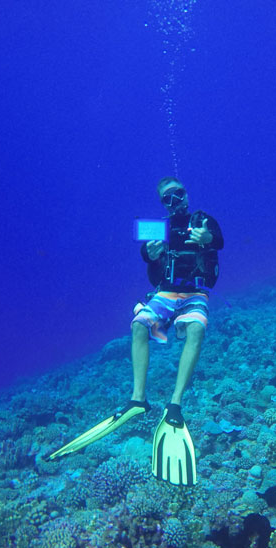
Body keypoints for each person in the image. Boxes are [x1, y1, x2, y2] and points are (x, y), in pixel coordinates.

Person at [49, 177, 224, 486]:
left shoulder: (202, 221)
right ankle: (138, 399)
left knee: (197, 329)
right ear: (162, 204)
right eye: (167, 199)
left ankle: (175, 404)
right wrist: (152, 254)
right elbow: (150, 268)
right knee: (139, 325)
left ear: (186, 195)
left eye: (178, 195)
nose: (174, 202)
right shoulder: (160, 230)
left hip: (196, 293)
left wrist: (207, 237)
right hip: (166, 293)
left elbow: (219, 240)